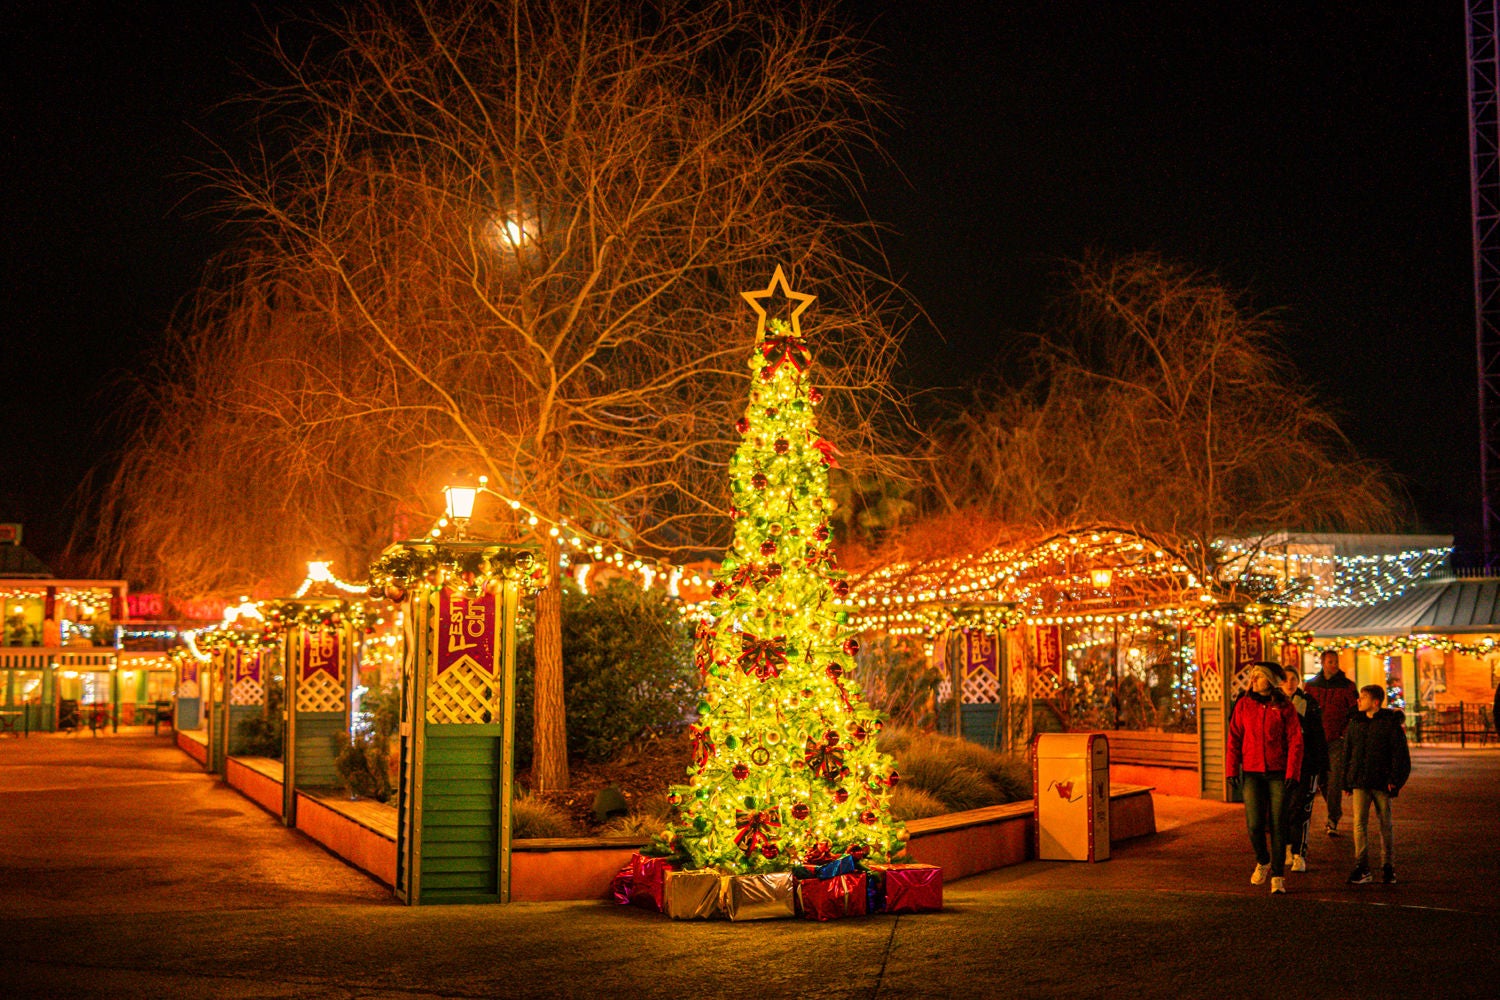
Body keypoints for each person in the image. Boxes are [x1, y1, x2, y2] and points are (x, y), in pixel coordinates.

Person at [1226, 662, 1304, 895]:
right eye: (1253, 676)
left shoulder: (1284, 707)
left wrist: (1293, 772)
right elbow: (1234, 738)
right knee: (1254, 825)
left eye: (1258, 676)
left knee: (1279, 824)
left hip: (1278, 773)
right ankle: (1263, 860)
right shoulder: (1243, 705)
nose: (1253, 680)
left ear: (1269, 680)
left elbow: (1295, 741)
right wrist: (1231, 769)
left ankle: (1278, 876)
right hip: (1252, 772)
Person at [1343, 684, 1411, 885]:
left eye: (1363, 698)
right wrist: (1347, 781)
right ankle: (1362, 866)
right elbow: (1348, 752)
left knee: (1384, 824)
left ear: (1374, 702)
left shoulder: (1389, 724)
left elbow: (1400, 756)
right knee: (1359, 824)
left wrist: (1395, 781)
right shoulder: (1355, 723)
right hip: (1360, 781)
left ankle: (1387, 866)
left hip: (1381, 782)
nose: (1359, 701)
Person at [1279, 663, 1328, 873]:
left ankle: (1299, 852)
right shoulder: (1273, 703)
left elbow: (1317, 735)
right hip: (1279, 765)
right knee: (1282, 810)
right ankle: (1287, 848)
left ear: (1298, 681)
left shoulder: (1308, 703)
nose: (1289, 683)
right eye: (1285, 679)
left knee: (1300, 809)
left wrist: (1321, 765)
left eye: (1293, 679)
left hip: (1304, 765)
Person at [1304, 649, 1359, 836]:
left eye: (1336, 661)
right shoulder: (1311, 686)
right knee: (1322, 780)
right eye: (1330, 662)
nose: (1334, 665)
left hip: (1336, 740)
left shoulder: (1347, 686)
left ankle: (1333, 818)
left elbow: (1353, 713)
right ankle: (1334, 812)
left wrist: (1345, 735)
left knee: (1335, 779)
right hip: (1316, 741)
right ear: (1322, 663)